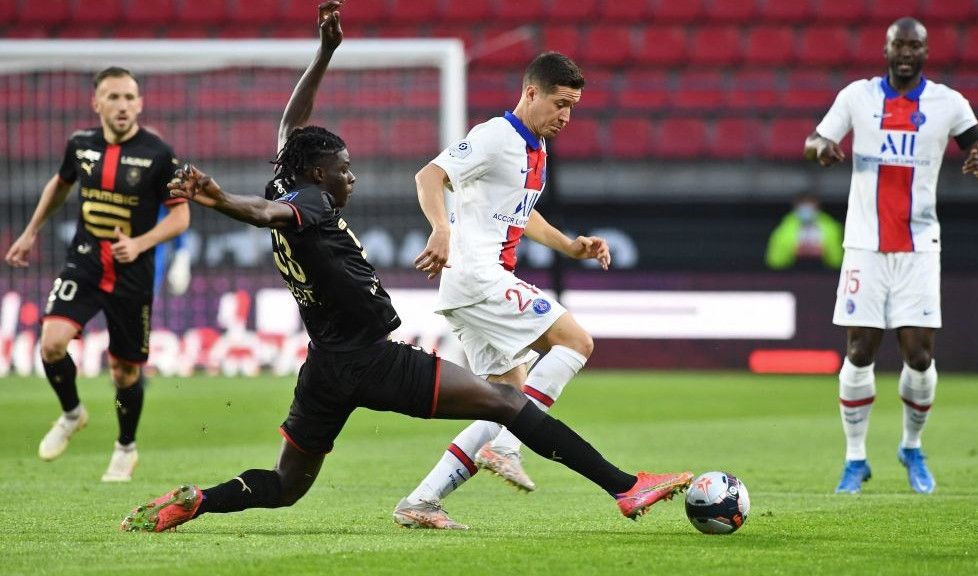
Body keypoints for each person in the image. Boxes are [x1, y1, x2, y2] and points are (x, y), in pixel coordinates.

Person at [120, 1, 691, 533]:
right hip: (372, 359)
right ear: (319, 177)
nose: (352, 177)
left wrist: (324, 53)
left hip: (324, 368)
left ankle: (200, 500)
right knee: (508, 402)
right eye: (344, 169)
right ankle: (624, 486)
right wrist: (218, 200)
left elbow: (291, 126)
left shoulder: (290, 177)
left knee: (287, 485)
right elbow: (267, 211)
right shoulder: (306, 204)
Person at [394, 50, 611, 529]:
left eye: (572, 106)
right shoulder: (497, 134)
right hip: (478, 276)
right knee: (576, 341)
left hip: (471, 285)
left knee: (506, 401)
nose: (566, 116)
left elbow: (522, 212)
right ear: (531, 92)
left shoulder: (536, 146)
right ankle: (507, 446)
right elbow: (430, 175)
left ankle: (420, 503)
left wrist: (570, 246)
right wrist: (440, 229)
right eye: (559, 103)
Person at [803, 17, 978, 495]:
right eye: (899, 45)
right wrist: (823, 149)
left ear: (926, 52)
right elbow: (814, 141)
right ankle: (855, 459)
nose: (906, 53)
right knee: (858, 349)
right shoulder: (857, 97)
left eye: (915, 46)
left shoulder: (948, 103)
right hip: (865, 246)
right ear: (886, 48)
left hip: (919, 247)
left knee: (919, 353)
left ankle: (912, 446)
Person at [4, 66, 189, 482]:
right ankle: (72, 413)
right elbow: (61, 183)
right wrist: (30, 232)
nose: (122, 105)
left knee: (124, 371)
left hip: (132, 272)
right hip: (85, 259)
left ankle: (125, 447)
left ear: (140, 103)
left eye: (129, 97)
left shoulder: (159, 154)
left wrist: (140, 244)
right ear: (97, 103)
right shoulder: (80, 144)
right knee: (51, 344)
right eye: (113, 97)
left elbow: (181, 218)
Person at [764, 192, 844, 270]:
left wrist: (824, 251)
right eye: (803, 204)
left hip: (824, 275)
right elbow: (774, 262)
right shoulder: (784, 228)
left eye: (810, 205)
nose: (807, 209)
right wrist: (793, 251)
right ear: (795, 207)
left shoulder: (832, 228)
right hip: (791, 276)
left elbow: (839, 261)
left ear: (818, 207)